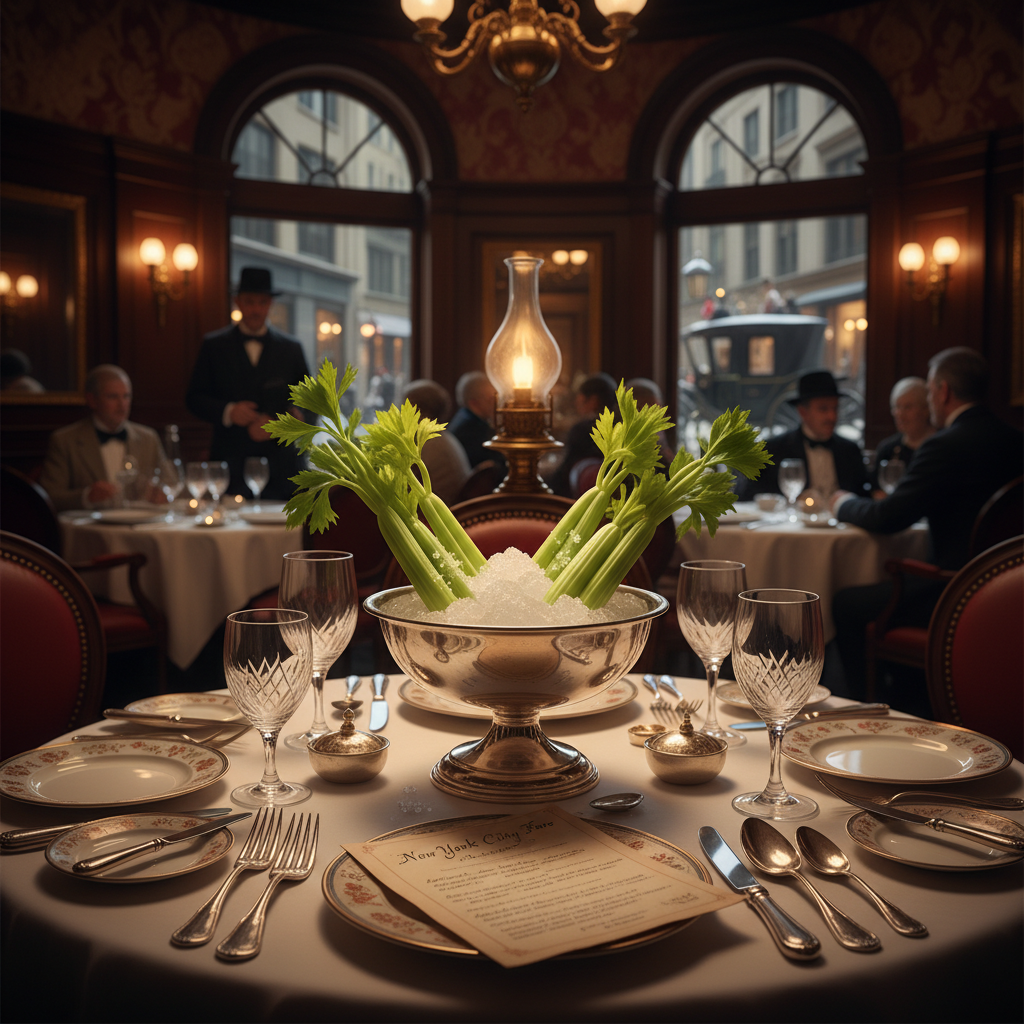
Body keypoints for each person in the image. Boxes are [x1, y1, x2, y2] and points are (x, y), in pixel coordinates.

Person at [830, 347, 1024, 699]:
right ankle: (911, 693)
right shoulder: (1017, 440)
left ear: (943, 391)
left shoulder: (943, 446)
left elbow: (887, 517)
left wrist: (842, 504)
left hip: (954, 590)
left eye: (931, 390)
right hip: (1013, 589)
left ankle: (863, 705)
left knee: (846, 603)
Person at [186, 267, 310, 500]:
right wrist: (229, 411)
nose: (255, 309)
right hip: (230, 467)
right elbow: (194, 398)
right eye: (249, 301)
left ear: (270, 304)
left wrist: (284, 423)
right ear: (237, 302)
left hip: (283, 470)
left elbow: (311, 404)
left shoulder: (291, 348)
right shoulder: (214, 346)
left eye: (262, 302)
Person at [39, 364, 171, 511]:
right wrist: (87, 496)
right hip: (90, 531)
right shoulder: (65, 440)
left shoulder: (148, 438)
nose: (122, 405)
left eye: (126, 396)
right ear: (92, 400)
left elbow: (171, 483)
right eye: (113, 397)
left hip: (140, 527)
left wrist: (162, 492)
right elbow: (50, 495)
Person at [737, 370, 869, 501]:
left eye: (835, 408)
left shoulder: (850, 451)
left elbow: (864, 497)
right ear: (802, 411)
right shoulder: (772, 450)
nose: (832, 416)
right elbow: (749, 496)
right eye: (823, 409)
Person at [545, 372, 618, 498]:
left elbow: (564, 474)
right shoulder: (620, 427)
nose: (578, 408)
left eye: (580, 403)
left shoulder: (583, 430)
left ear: (593, 401)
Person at [401, 378, 470, 506]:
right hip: (450, 512)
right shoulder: (444, 438)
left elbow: (404, 491)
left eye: (404, 405)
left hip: (437, 516)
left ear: (414, 408)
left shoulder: (426, 444)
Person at [870, 376, 935, 490]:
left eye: (907, 407)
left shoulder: (939, 447)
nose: (900, 414)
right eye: (897, 407)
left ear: (926, 409)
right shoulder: (887, 450)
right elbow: (878, 493)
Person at [448, 370, 506, 476]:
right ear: (474, 404)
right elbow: (497, 469)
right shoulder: (471, 430)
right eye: (491, 400)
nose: (497, 405)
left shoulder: (466, 418)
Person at [624, 376, 674, 468]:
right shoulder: (628, 436)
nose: (660, 413)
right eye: (650, 408)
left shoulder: (658, 431)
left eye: (659, 407)